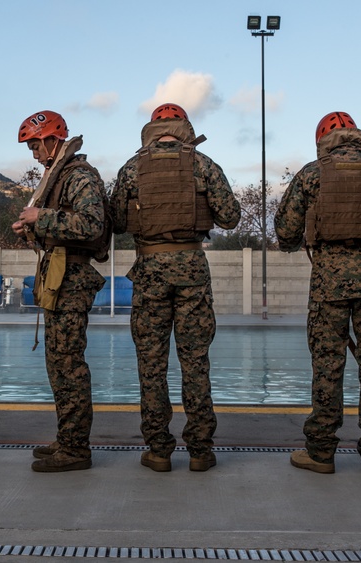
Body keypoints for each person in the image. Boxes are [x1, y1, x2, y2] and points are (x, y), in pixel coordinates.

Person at [274, 112, 361, 476]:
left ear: (322, 140)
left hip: (328, 285)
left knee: (327, 366)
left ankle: (321, 452)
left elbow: (285, 232)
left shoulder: (311, 173)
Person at [111, 103, 240, 472]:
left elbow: (117, 220)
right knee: (195, 362)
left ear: (150, 129)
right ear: (185, 128)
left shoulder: (132, 167)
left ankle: (158, 450)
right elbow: (230, 217)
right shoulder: (203, 164)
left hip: (150, 269)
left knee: (151, 365)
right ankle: (200, 450)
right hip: (192, 271)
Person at [11, 110, 108, 472]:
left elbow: (92, 225)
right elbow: (62, 229)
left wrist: (42, 218)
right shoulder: (59, 176)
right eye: (30, 146)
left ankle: (76, 449)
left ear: (54, 138)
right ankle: (68, 438)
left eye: (37, 144)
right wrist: (32, 232)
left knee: (68, 364)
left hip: (73, 280)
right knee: (58, 363)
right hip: (58, 277)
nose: (34, 152)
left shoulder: (79, 175)